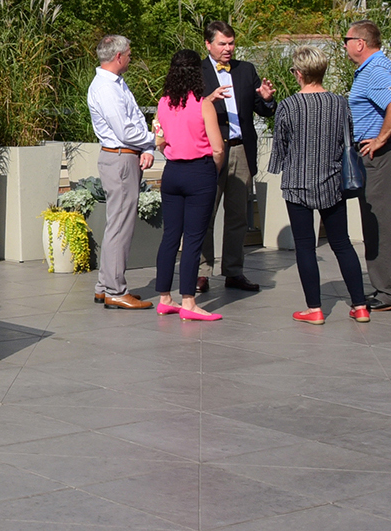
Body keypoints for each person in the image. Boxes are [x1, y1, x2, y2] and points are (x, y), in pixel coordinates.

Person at [268, 47, 370, 324]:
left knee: (305, 246)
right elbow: (349, 139)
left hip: (297, 183)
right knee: (342, 244)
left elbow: (280, 145)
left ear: (299, 73)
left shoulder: (289, 105)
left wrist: (277, 167)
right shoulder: (340, 103)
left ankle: (314, 309)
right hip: (333, 181)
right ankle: (360, 305)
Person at [197, 21, 275, 295]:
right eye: (222, 44)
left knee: (239, 215)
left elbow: (263, 110)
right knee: (205, 213)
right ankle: (201, 271)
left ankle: (233, 271)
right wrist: (207, 99)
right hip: (211, 151)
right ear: (208, 44)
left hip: (242, 149)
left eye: (231, 43)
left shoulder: (246, 70)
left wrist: (266, 99)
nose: (228, 49)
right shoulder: (198, 72)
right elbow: (184, 110)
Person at [152, 49, 228, 321]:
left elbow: (159, 141)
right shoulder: (203, 104)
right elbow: (218, 148)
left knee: (170, 236)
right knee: (194, 238)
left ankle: (164, 298)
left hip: (172, 173)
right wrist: (213, 170)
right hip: (199, 172)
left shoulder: (163, 103)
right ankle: (188, 301)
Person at [85, 35, 155, 310]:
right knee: (120, 226)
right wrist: (153, 140)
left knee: (118, 224)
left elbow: (132, 119)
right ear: (118, 57)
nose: (130, 58)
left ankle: (105, 286)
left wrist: (148, 143)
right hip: (120, 158)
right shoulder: (106, 88)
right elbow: (125, 130)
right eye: (128, 53)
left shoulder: (113, 84)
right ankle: (114, 289)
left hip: (122, 157)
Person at [345, 20, 391, 311]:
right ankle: (387, 289)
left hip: (380, 157)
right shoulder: (374, 68)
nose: (344, 44)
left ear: (360, 43)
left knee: (381, 225)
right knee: (378, 224)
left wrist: (381, 138)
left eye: (346, 39)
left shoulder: (375, 69)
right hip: (379, 156)